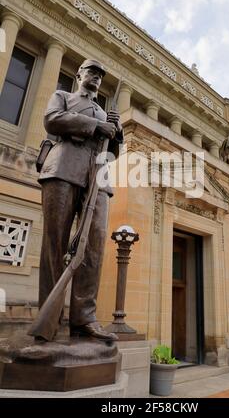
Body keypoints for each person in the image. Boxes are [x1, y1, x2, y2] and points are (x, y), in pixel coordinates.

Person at [36, 59, 123, 341]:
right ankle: (47, 322)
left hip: (97, 178)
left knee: (94, 245)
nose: (96, 77)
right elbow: (52, 120)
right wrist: (96, 126)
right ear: (79, 75)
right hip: (63, 168)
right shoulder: (64, 96)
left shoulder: (105, 112)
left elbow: (111, 154)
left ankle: (84, 318)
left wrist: (115, 134)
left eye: (100, 74)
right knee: (55, 243)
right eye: (92, 72)